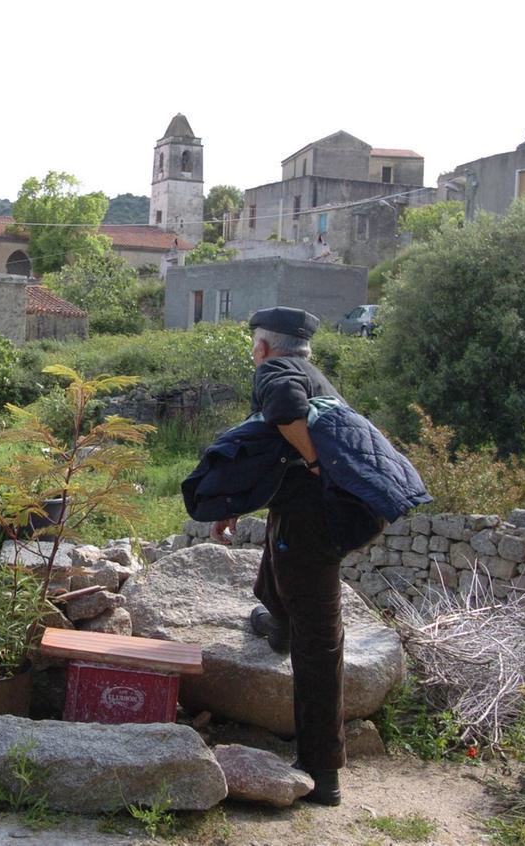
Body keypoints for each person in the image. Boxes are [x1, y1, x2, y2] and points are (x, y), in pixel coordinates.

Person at [211, 305, 347, 807]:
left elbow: (285, 411)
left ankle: (322, 771)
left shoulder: (277, 372)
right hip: (299, 518)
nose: (254, 355)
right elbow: (270, 452)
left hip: (317, 525)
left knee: (321, 644)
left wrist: (314, 461)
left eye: (254, 348)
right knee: (276, 562)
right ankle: (278, 624)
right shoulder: (313, 372)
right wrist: (231, 504)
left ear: (263, 348)